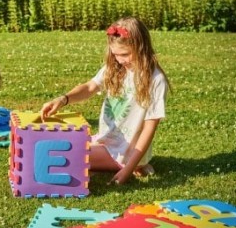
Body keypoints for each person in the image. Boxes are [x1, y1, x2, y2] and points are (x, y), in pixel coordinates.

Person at [40, 17, 169, 185]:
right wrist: (63, 99)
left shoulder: (155, 79)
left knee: (62, 155)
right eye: (115, 54)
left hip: (124, 152)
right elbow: (89, 87)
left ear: (141, 47)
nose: (120, 60)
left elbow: (149, 129)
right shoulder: (116, 68)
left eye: (125, 54)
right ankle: (131, 165)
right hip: (106, 142)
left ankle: (136, 165)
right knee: (59, 144)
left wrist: (127, 170)